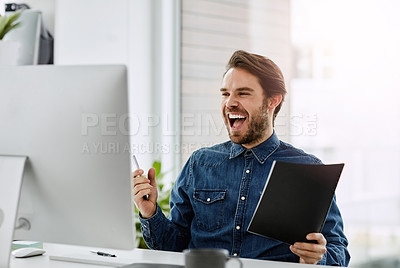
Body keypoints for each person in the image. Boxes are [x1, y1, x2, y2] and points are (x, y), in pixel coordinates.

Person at [133, 50, 350, 266]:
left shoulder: (307, 169)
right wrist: (150, 212)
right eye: (225, 94)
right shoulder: (199, 163)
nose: (230, 103)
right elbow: (174, 247)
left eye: (243, 93)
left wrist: (317, 257)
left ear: (272, 101)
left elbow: (339, 253)